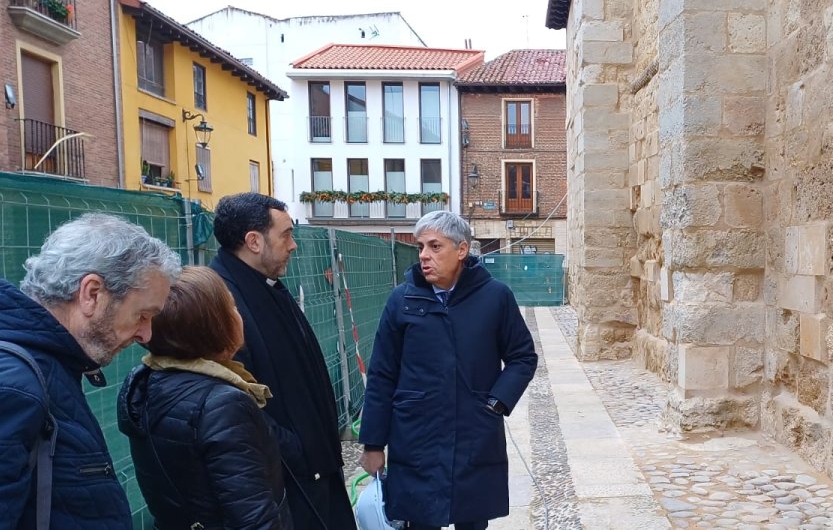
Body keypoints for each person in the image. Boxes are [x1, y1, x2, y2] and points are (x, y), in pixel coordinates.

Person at [0, 213, 181, 529]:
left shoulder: (48, 366)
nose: (146, 334)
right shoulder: (12, 384)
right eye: (142, 315)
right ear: (92, 293)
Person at [359, 210, 538, 530]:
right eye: (420, 247)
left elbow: (523, 357)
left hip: (474, 435)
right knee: (420, 520)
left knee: (471, 520)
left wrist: (497, 402)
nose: (424, 255)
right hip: (416, 438)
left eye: (435, 246)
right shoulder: (402, 301)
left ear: (462, 250)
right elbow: (382, 374)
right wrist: (373, 444)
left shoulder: (495, 297)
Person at [209, 193, 356, 530]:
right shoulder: (221, 303)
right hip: (285, 480)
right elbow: (233, 400)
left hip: (310, 469)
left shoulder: (265, 285)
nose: (293, 246)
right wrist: (296, 448)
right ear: (254, 241)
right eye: (286, 235)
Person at [118, 266, 292, 530]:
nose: (239, 314)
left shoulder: (147, 384)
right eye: (231, 306)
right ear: (214, 325)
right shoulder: (222, 405)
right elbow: (254, 518)